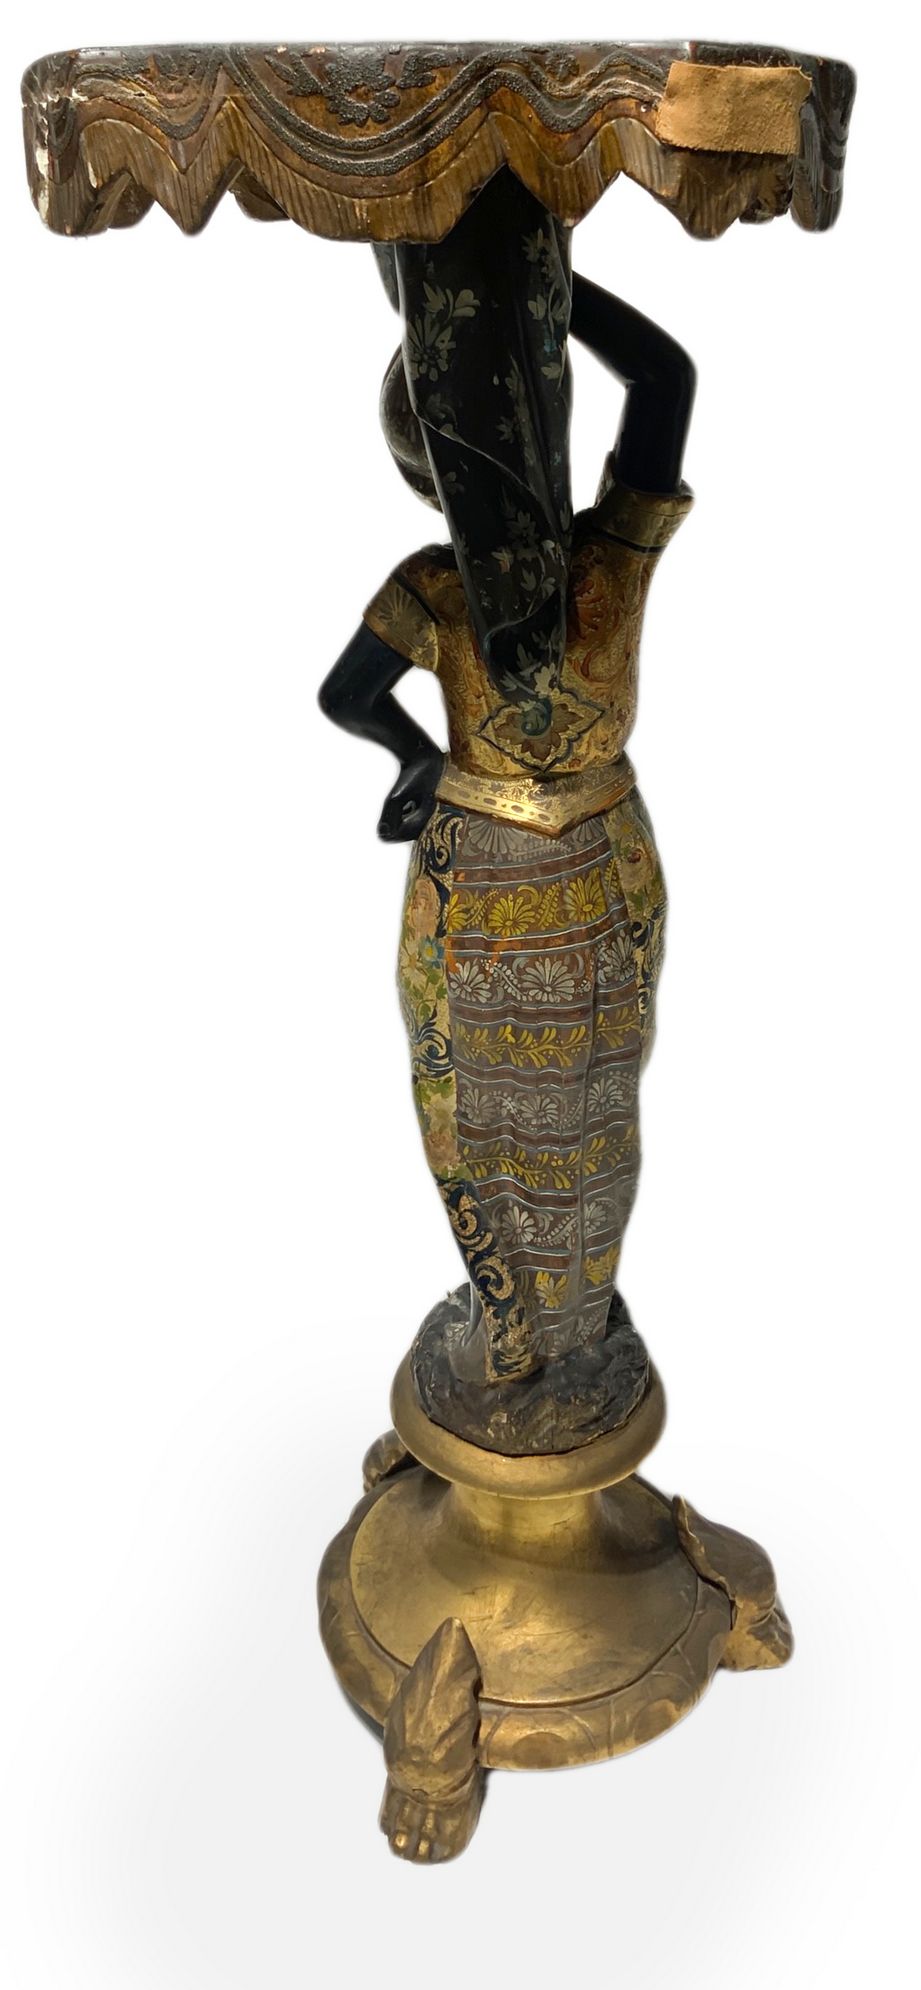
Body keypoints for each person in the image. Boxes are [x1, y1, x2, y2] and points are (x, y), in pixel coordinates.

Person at [320, 172, 695, 1444]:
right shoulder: (609, 561)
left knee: (477, 1104)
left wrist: (411, 759)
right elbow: (668, 380)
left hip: (479, 862)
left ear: (421, 469)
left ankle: (523, 1322)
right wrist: (539, 305)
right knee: (592, 1095)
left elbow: (345, 696)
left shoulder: (436, 585)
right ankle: (564, 1320)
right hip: (600, 852)